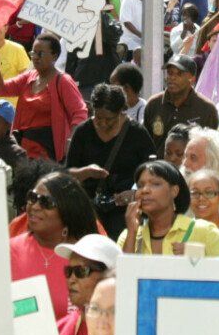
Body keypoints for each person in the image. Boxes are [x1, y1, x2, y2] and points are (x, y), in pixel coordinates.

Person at [65, 84, 156, 238]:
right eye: (99, 118)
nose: (103, 123)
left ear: (121, 112)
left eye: (110, 119)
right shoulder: (83, 132)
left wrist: (135, 193)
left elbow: (153, 173)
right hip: (90, 212)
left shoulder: (137, 134)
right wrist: (86, 172)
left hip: (124, 213)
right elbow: (67, 174)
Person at [12, 170, 100, 321]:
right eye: (32, 198)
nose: (35, 206)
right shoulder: (9, 251)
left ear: (68, 210)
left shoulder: (88, 256)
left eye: (46, 202)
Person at [0, 35, 90, 162]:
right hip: (22, 149)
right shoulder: (28, 77)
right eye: (33, 53)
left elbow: (80, 112)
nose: (35, 57)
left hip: (48, 150)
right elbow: (0, 89)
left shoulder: (63, 81)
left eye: (40, 53)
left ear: (54, 56)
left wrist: (71, 140)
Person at [119, 160, 219, 257]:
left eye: (155, 184)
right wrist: (132, 233)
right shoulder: (129, 235)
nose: (145, 190)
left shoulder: (205, 232)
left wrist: (199, 258)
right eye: (140, 186)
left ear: (174, 191)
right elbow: (120, 276)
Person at [55, 234, 118, 335]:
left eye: (82, 271)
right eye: (69, 271)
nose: (71, 279)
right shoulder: (59, 330)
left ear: (108, 276)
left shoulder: (127, 334)